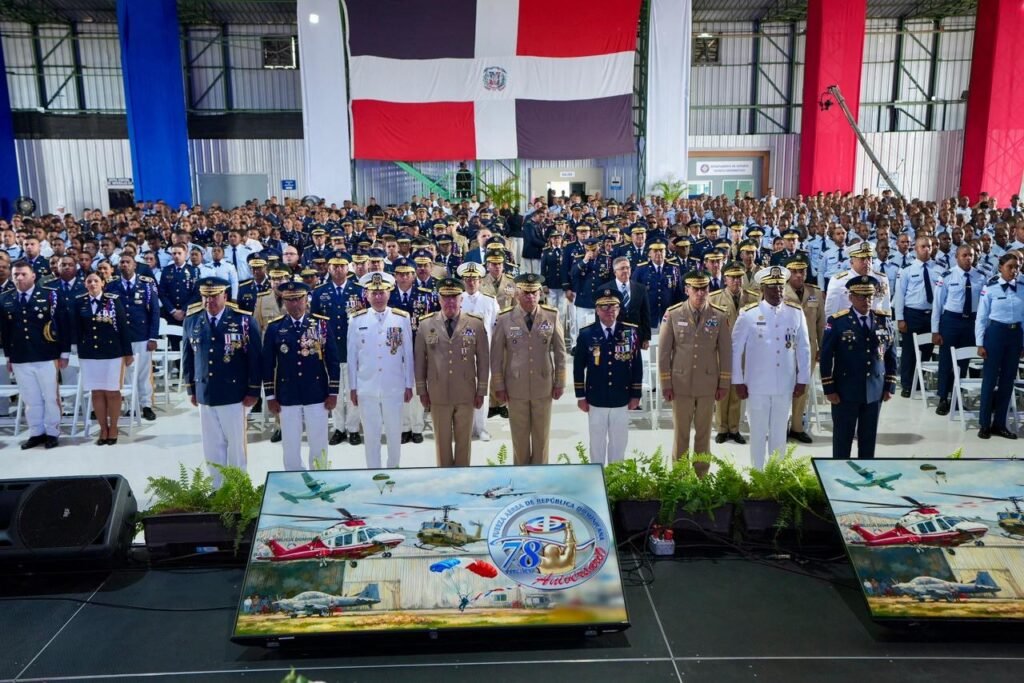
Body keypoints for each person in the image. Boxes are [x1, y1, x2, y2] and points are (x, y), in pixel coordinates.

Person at [183, 277, 263, 484]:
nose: (209, 301)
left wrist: (253, 390)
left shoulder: (243, 320)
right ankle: (217, 488)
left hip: (234, 393)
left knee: (236, 445)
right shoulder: (192, 320)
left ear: (225, 296)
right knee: (212, 445)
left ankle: (237, 487)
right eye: (205, 296)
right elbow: (188, 357)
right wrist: (191, 388)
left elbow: (255, 359)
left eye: (214, 296)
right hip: (205, 393)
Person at [732, 266, 811, 469]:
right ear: (762, 290)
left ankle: (776, 476)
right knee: (758, 433)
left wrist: (803, 379)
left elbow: (804, 347)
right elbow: (735, 349)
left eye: (780, 287)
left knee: (779, 434)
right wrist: (737, 381)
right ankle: (758, 476)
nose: (777, 292)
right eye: (772, 288)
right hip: (756, 385)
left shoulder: (795, 313)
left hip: (784, 385)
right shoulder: (749, 314)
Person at [658, 271, 731, 472]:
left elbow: (726, 352)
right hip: (680, 384)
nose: (700, 293)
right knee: (681, 434)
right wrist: (666, 384)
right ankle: (679, 477)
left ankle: (701, 477)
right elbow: (664, 354)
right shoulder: (673, 314)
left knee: (704, 433)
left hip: (708, 384)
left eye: (704, 289)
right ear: (687, 290)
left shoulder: (719, 314)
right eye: (695, 289)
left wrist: (724, 383)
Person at [262, 281, 339, 470]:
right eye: (289, 300)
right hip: (287, 395)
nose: (295, 304)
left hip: (316, 393)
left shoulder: (320, 324)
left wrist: (333, 392)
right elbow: (267, 365)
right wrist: (270, 397)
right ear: (284, 302)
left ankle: (319, 477)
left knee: (319, 441)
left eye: (298, 299)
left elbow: (333, 361)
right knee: (290, 444)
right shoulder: (275, 328)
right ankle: (294, 479)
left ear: (306, 300)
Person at [491, 273, 567, 465]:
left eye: (534, 293)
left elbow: (560, 353)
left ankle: (540, 479)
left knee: (541, 438)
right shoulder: (505, 318)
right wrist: (498, 386)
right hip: (515, 387)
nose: (531, 297)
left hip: (544, 385)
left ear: (540, 293)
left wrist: (560, 382)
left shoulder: (551, 315)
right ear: (517, 294)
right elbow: (496, 356)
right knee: (519, 438)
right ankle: (521, 476)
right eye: (526, 293)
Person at [819, 276, 897, 459]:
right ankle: (839, 477)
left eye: (870, 296)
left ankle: (866, 478)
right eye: (861, 297)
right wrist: (829, 388)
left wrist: (889, 385)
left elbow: (890, 356)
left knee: (868, 440)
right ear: (851, 297)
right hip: (845, 391)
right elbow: (826, 357)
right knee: (842, 440)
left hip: (874, 390)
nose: (867, 301)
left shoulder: (882, 320)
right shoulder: (838, 322)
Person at [415, 278, 489, 467]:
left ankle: (462, 477)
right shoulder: (425, 325)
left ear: (461, 299)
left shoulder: (476, 324)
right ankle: (444, 479)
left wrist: (481, 390)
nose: (450, 302)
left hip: (466, 393)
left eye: (454, 298)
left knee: (464, 442)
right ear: (439, 299)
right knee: (442, 444)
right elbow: (419, 361)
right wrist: (422, 390)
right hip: (438, 393)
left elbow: (483, 360)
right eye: (445, 298)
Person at [348, 272, 415, 468]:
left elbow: (408, 354)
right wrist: (352, 387)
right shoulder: (356, 320)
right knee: (370, 435)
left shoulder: (401, 318)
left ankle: (394, 469)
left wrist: (408, 384)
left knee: (394, 433)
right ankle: (373, 471)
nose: (378, 297)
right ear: (366, 295)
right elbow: (352, 357)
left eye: (382, 293)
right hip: (366, 387)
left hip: (394, 386)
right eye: (373, 293)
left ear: (389, 293)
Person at [1, 261, 70, 448]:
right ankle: (36, 432)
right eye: (16, 275)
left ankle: (53, 432)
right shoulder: (5, 298)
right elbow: (5, 333)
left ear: (33, 276)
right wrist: (9, 357)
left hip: (46, 354)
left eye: (23, 274)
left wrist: (64, 353)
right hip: (20, 356)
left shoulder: (49, 295)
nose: (19, 278)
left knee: (50, 397)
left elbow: (62, 325)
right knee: (30, 398)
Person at [573, 287, 642, 464]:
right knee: (597, 442)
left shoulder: (630, 333)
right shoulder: (586, 334)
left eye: (614, 307)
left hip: (621, 396)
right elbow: (578, 367)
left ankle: (616, 478)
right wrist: (580, 396)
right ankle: (599, 476)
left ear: (619, 309)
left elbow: (636, 366)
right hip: (596, 397)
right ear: (597, 310)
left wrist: (636, 394)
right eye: (604, 307)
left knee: (619, 442)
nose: (610, 311)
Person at [311, 250, 364, 446]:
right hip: (330, 350)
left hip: (353, 348)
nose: (339, 269)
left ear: (348, 267)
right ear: (329, 268)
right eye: (335, 266)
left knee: (352, 390)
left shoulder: (359, 290)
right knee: (334, 389)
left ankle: (353, 428)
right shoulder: (319, 292)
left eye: (342, 265)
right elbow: (315, 322)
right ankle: (339, 428)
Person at [73, 272, 133, 445]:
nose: (92, 284)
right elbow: (77, 330)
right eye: (89, 281)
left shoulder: (113, 301)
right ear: (85, 284)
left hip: (112, 353)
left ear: (103, 283)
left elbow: (122, 328)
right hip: (89, 354)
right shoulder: (79, 302)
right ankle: (103, 428)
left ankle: (113, 427)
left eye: (96, 281)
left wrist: (127, 353)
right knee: (96, 392)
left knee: (112, 392)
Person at [708, 260, 759, 444]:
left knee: (738, 389)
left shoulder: (754, 298)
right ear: (725, 279)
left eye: (739, 277)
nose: (736, 281)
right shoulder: (714, 299)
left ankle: (734, 428)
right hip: (722, 351)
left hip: (746, 351)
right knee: (722, 390)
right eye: (732, 277)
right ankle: (721, 427)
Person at [931, 244, 985, 416]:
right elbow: (937, 305)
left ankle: (957, 397)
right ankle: (943, 399)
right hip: (951, 322)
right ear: (957, 257)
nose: (968, 258)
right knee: (946, 361)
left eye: (971, 255)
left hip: (971, 322)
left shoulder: (980, 277)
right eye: (964, 255)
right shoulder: (947, 276)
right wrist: (935, 330)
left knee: (963, 362)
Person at [975, 254, 1024, 440]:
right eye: (1010, 267)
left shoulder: (1022, 288)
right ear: (1001, 267)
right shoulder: (990, 288)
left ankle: (1000, 424)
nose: (1014, 270)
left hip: (1015, 335)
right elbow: (981, 317)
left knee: (1007, 381)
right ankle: (984, 424)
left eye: (1017, 267)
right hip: (995, 334)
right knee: (989, 381)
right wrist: (979, 343)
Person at [107, 253, 160, 422]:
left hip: (142, 335)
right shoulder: (112, 286)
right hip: (121, 337)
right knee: (126, 374)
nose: (124, 265)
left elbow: (154, 312)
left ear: (135, 265)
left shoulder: (146, 285)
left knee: (144, 373)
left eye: (127, 262)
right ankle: (131, 405)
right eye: (121, 262)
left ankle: (146, 405)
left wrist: (153, 337)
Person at [783, 258, 825, 443]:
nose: (799, 275)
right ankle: (781, 426)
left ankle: (797, 427)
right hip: (785, 349)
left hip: (808, 349)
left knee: (803, 388)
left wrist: (822, 347)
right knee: (784, 388)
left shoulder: (814, 292)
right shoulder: (780, 292)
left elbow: (821, 323)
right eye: (794, 271)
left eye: (802, 271)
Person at [457, 261, 500, 441]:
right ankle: (466, 427)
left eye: (474, 279)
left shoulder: (490, 301)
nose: (471, 282)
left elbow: (496, 329)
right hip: (461, 354)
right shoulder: (457, 300)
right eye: (467, 279)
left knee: (482, 390)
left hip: (484, 353)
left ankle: (481, 428)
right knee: (463, 391)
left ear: (480, 281)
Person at [892, 236, 940, 397]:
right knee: (910, 351)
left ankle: (918, 381)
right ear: (915, 249)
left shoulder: (938, 269)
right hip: (912, 314)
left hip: (932, 314)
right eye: (923, 246)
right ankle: (907, 384)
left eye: (929, 246)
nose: (926, 249)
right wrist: (900, 318)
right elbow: (899, 294)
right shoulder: (907, 270)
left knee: (927, 350)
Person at [603, 257, 651, 345]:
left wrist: (646, 338)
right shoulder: (605, 289)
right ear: (615, 272)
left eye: (627, 268)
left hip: (636, 335)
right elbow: (601, 316)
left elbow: (645, 314)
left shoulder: (640, 288)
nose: (625, 270)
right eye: (622, 268)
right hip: (613, 335)